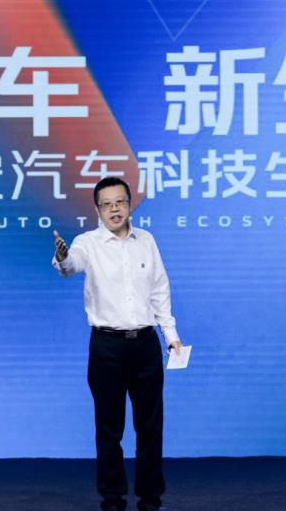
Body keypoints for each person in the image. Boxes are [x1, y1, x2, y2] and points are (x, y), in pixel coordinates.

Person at [52, 176, 183, 511]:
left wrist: (171, 336)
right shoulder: (87, 243)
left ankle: (150, 498)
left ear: (129, 204)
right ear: (97, 209)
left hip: (145, 345)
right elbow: (70, 265)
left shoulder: (146, 241)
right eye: (107, 204)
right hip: (107, 347)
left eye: (120, 202)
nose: (114, 209)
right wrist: (62, 257)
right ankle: (112, 499)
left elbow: (160, 291)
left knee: (150, 427)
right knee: (109, 428)